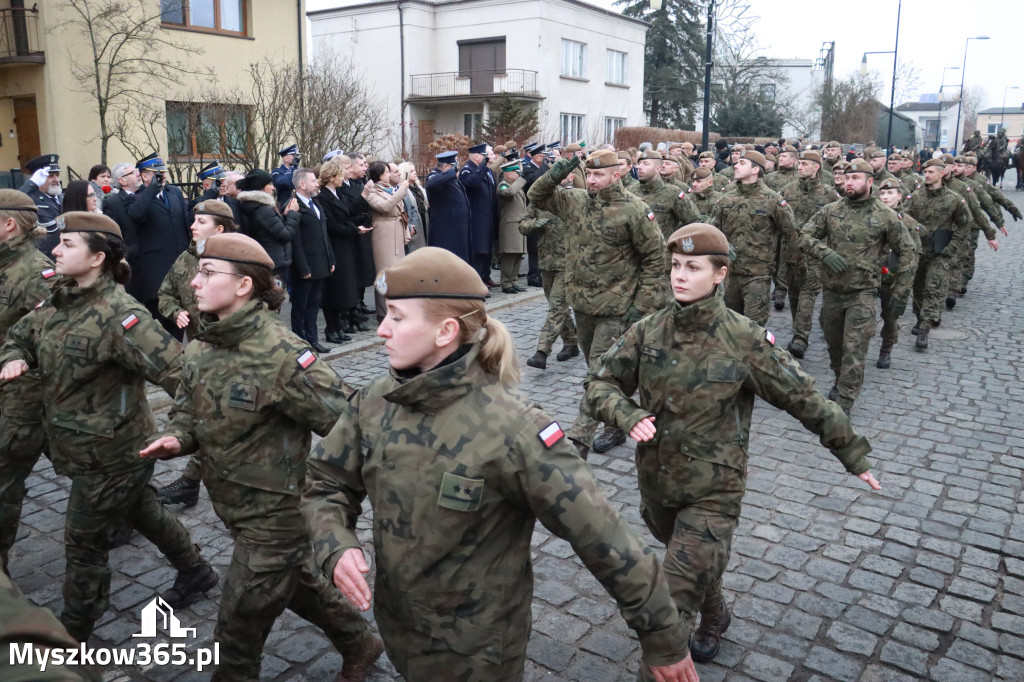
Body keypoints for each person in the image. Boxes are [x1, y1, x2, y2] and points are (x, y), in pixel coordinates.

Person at [301, 246, 697, 682]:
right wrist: (335, 543)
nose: (381, 330)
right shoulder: (376, 400)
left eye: (396, 317)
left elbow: (603, 536)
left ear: (445, 331)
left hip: (476, 654)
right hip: (397, 627)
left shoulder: (514, 429)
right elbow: (324, 482)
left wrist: (663, 637)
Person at [584, 222, 881, 664]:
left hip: (714, 490)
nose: (679, 276)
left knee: (673, 597)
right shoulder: (649, 330)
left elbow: (803, 397)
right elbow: (598, 384)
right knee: (692, 558)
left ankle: (668, 659)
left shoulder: (744, 339)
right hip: (658, 481)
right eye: (675, 266)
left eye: (693, 268)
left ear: (720, 274)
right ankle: (717, 612)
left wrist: (851, 452)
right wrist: (626, 414)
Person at [140, 233, 384, 682]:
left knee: (236, 632)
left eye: (207, 273)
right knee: (298, 585)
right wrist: (176, 437)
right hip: (234, 507)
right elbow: (187, 411)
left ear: (243, 285)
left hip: (277, 520)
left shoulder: (282, 354)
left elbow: (351, 426)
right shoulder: (201, 347)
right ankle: (359, 642)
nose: (194, 282)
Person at [0, 212, 216, 642]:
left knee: (83, 544)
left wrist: (182, 432)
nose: (55, 250)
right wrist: (15, 357)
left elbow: (182, 376)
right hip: (78, 448)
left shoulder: (122, 315)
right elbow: (19, 336)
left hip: (114, 456)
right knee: (144, 510)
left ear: (98, 257)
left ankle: (71, 636)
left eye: (68, 244)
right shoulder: (59, 299)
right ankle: (195, 569)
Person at [528, 150, 665, 457]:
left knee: (598, 374)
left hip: (616, 308)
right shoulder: (574, 200)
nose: (591, 180)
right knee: (603, 371)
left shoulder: (634, 209)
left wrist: (641, 305)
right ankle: (615, 423)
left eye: (599, 175)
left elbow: (655, 258)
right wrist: (554, 173)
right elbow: (535, 196)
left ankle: (578, 442)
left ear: (616, 175)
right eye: (588, 174)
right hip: (582, 305)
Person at [798, 158, 916, 414]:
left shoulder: (885, 215)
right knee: (835, 345)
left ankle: (845, 400)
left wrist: (901, 292)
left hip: (862, 293)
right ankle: (840, 380)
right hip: (832, 292)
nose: (849, 183)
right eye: (847, 178)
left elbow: (908, 252)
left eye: (855, 178)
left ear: (870, 182)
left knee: (855, 349)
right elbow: (804, 235)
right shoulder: (831, 210)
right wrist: (824, 252)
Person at [153, 199, 237, 507]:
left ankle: (196, 481)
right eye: (193, 220)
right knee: (209, 417)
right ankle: (193, 481)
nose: (192, 226)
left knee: (220, 419)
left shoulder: (238, 258)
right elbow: (165, 294)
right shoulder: (185, 259)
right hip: (199, 353)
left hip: (233, 354)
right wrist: (176, 312)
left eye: (201, 222)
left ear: (220, 229)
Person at [0, 191, 54, 576]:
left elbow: (48, 340)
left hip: (26, 393)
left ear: (9, 224)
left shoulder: (36, 272)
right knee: (87, 472)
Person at [709, 149, 797, 326]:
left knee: (753, 326)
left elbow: (791, 233)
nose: (736, 166)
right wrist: (722, 245)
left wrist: (790, 267)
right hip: (731, 274)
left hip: (758, 274)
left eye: (742, 163)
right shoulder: (726, 199)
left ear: (756, 169)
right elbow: (711, 230)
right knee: (730, 325)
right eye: (737, 163)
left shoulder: (773, 200)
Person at [903, 158, 972, 351]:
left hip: (940, 252)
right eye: (925, 172)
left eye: (931, 172)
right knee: (918, 287)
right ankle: (920, 317)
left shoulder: (953, 199)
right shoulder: (915, 197)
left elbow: (965, 224)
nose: (927, 175)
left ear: (941, 173)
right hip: (919, 250)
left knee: (934, 287)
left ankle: (925, 327)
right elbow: (902, 218)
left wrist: (953, 246)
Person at [125, 153, 192, 340]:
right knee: (159, 326)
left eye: (163, 172)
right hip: (155, 274)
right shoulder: (136, 198)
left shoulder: (174, 193)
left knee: (178, 324)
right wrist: (152, 189)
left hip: (179, 269)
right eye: (157, 173)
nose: (162, 176)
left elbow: (184, 222)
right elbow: (135, 215)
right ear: (144, 176)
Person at [780, 150, 836, 358]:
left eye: (805, 164)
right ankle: (798, 330)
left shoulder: (829, 193)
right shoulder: (787, 190)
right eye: (799, 163)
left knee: (807, 293)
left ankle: (800, 338)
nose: (800, 167)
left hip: (815, 255)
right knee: (794, 294)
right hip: (792, 251)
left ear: (816, 167)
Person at [519, 180, 579, 370]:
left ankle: (542, 351)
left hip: (568, 263)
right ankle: (571, 342)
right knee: (558, 307)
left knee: (556, 307)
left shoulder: (570, 199)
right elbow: (522, 225)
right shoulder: (537, 202)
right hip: (546, 262)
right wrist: (535, 224)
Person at [318, 156, 369, 343]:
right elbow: (332, 225)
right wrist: (354, 230)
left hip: (345, 244)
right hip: (335, 246)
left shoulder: (338, 193)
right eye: (340, 175)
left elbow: (346, 216)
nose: (343, 178)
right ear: (332, 177)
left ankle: (338, 327)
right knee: (334, 289)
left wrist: (357, 225)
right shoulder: (323, 197)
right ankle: (331, 328)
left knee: (344, 287)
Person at [875, 178, 923, 369]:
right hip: (870, 275)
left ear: (900, 196)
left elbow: (913, 256)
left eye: (890, 193)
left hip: (893, 278)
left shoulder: (908, 223)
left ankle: (886, 348)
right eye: (882, 193)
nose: (886, 197)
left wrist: (903, 285)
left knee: (890, 317)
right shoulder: (873, 217)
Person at [290, 167, 335, 353]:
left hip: (320, 263)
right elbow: (295, 241)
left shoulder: (315, 204)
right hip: (306, 266)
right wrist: (302, 267)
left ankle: (312, 339)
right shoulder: (294, 206)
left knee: (313, 305)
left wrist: (330, 258)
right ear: (302, 184)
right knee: (300, 306)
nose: (317, 184)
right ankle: (300, 343)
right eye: (313, 181)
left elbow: (324, 235)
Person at [365, 161, 410, 319]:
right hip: (383, 233)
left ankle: (396, 308)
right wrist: (401, 191)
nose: (389, 175)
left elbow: (400, 210)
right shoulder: (372, 191)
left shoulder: (389, 188)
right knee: (384, 272)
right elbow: (385, 207)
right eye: (386, 172)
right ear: (379, 175)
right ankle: (383, 312)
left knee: (397, 272)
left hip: (396, 230)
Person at [235, 169, 297, 283]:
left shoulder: (255, 206)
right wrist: (293, 214)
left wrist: (284, 215)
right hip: (274, 262)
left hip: (268, 259)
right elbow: (286, 235)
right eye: (269, 184)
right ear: (261, 187)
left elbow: (271, 228)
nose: (273, 188)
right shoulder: (263, 209)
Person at [630, 150, 701, 247]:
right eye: (639, 163)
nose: (640, 167)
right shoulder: (630, 192)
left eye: (646, 164)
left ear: (658, 169)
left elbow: (693, 221)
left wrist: (678, 245)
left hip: (663, 252)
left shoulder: (674, 193)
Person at [460, 143, 499, 287]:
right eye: (485, 155)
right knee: (479, 250)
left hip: (488, 216)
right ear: (477, 157)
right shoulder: (467, 169)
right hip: (477, 217)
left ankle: (485, 275)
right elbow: (471, 184)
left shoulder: (485, 169)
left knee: (487, 248)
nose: (488, 158)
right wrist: (483, 167)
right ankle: (476, 282)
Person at [425, 151, 472, 265]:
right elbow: (432, 184)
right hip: (445, 231)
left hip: (456, 229)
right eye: (454, 166)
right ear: (446, 167)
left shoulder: (450, 178)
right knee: (446, 263)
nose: (457, 170)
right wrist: (452, 171)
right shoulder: (434, 176)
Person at [19, 154, 63, 255]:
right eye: (50, 175)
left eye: (57, 175)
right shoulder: (29, 200)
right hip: (44, 256)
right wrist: (31, 184)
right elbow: (13, 202)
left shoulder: (64, 198)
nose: (56, 179)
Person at [495, 159, 528, 294]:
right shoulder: (503, 185)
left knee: (518, 255)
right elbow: (508, 193)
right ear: (509, 174)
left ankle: (513, 281)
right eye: (516, 172)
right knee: (509, 255)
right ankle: (506, 283)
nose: (518, 175)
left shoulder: (515, 186)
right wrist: (520, 181)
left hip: (519, 225)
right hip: (510, 226)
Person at [398, 161, 427, 252]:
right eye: (411, 171)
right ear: (404, 173)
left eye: (414, 170)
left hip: (423, 219)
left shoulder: (418, 187)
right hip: (414, 223)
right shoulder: (404, 189)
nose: (415, 172)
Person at [272, 143, 300, 211]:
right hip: (284, 207)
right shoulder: (277, 171)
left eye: (297, 155)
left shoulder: (299, 171)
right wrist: (292, 168)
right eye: (293, 155)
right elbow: (283, 182)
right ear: (285, 158)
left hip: (299, 205)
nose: (296, 158)